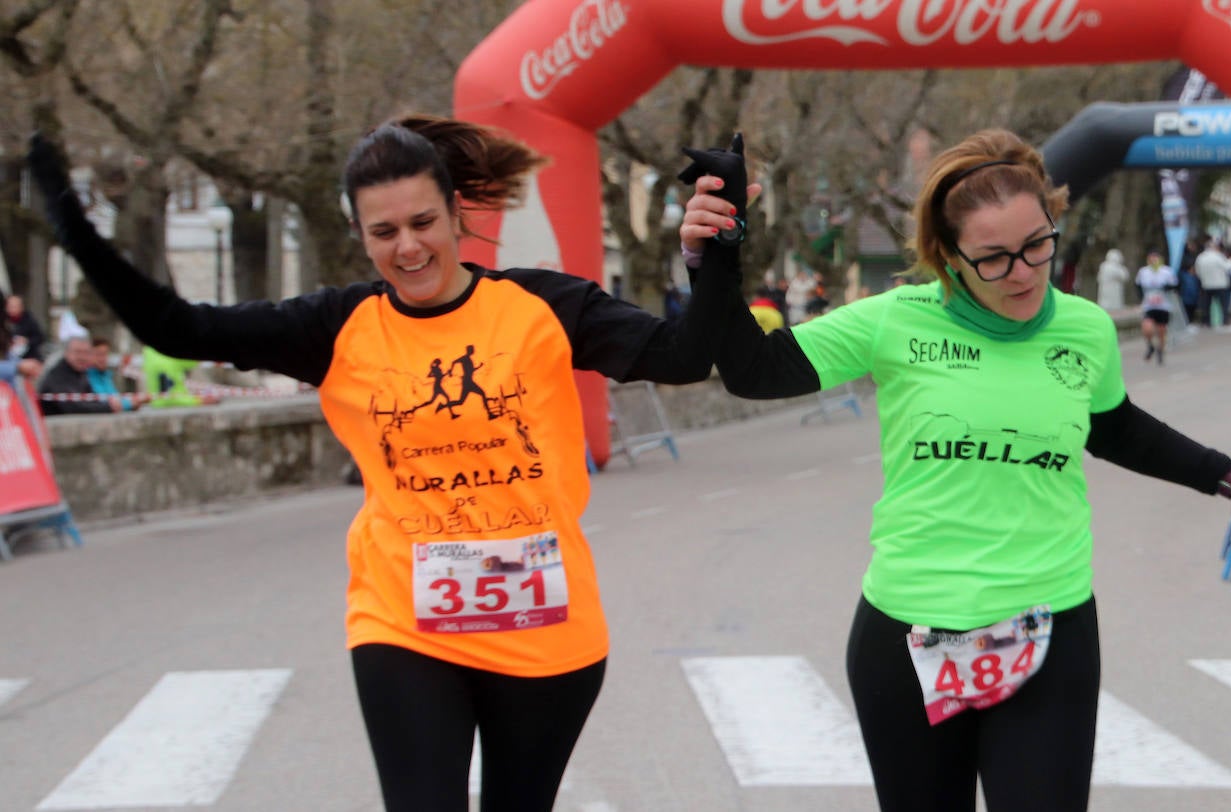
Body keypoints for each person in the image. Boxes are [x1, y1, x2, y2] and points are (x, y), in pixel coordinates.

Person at [29, 116, 736, 812]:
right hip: (404, 621)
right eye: (384, 232)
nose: (408, 248)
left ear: (458, 212)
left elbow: (685, 356)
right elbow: (175, 328)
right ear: (360, 236)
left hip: (545, 621)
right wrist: (71, 221)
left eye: (423, 222)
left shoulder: (541, 306)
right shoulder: (337, 326)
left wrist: (712, 256)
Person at [678, 128, 1231, 812]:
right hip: (907, 634)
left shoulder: (1086, 330)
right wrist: (715, 260)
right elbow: (752, 370)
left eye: (1038, 245)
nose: (1025, 271)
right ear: (949, 257)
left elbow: (1113, 427)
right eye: (995, 258)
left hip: (1049, 626)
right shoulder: (896, 320)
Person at [37, 335, 125, 415]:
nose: (82, 357)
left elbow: (92, 398)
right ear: (67, 353)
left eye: (86, 353)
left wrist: (109, 405)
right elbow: (72, 406)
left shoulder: (80, 372)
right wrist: (107, 407)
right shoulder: (58, 375)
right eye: (78, 352)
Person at [1135, 250, 1176, 364]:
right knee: (1147, 328)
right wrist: (1141, 297)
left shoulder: (1166, 271)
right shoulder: (1143, 272)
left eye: (1155, 259)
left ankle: (1160, 350)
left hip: (1163, 306)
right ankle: (1150, 346)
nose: (1153, 261)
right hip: (1149, 305)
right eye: (1151, 259)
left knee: (1161, 331)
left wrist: (1167, 287)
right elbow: (1138, 286)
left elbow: (1175, 285)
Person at [86, 336, 138, 411]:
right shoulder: (87, 378)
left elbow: (116, 399)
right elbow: (107, 403)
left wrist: (133, 401)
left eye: (105, 354)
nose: (102, 359)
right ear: (89, 356)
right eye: (98, 354)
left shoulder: (106, 376)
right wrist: (131, 403)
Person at [1192, 240, 1231, 327]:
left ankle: (1207, 321)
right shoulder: (1219, 256)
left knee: (1206, 305)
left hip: (1206, 284)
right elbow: (1227, 267)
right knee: (1224, 304)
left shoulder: (1200, 257)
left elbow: (1198, 272)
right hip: (1221, 284)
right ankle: (1225, 320)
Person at [5, 293, 48, 362]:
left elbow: (40, 337)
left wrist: (27, 341)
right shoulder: (3, 321)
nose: (12, 309)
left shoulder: (29, 320)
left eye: (15, 306)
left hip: (28, 358)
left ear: (21, 307)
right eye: (10, 306)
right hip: (7, 359)